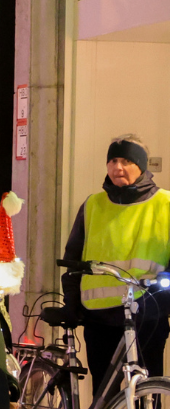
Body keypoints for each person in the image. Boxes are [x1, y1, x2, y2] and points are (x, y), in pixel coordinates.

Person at [61, 134, 170, 395]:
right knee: (104, 394)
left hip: (147, 315)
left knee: (147, 392)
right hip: (98, 316)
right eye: (112, 160)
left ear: (142, 165)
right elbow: (73, 258)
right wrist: (72, 304)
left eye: (126, 161)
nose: (117, 167)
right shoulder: (93, 205)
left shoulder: (165, 204)